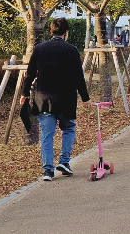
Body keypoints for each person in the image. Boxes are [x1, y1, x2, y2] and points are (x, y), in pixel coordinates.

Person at [20, 18, 91, 181]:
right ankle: (64, 162)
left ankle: (47, 171)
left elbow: (30, 74)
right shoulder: (72, 50)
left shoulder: (39, 49)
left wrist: (25, 93)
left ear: (51, 32)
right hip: (65, 100)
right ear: (66, 34)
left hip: (43, 99)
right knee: (68, 129)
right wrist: (85, 98)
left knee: (47, 134)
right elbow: (78, 77)